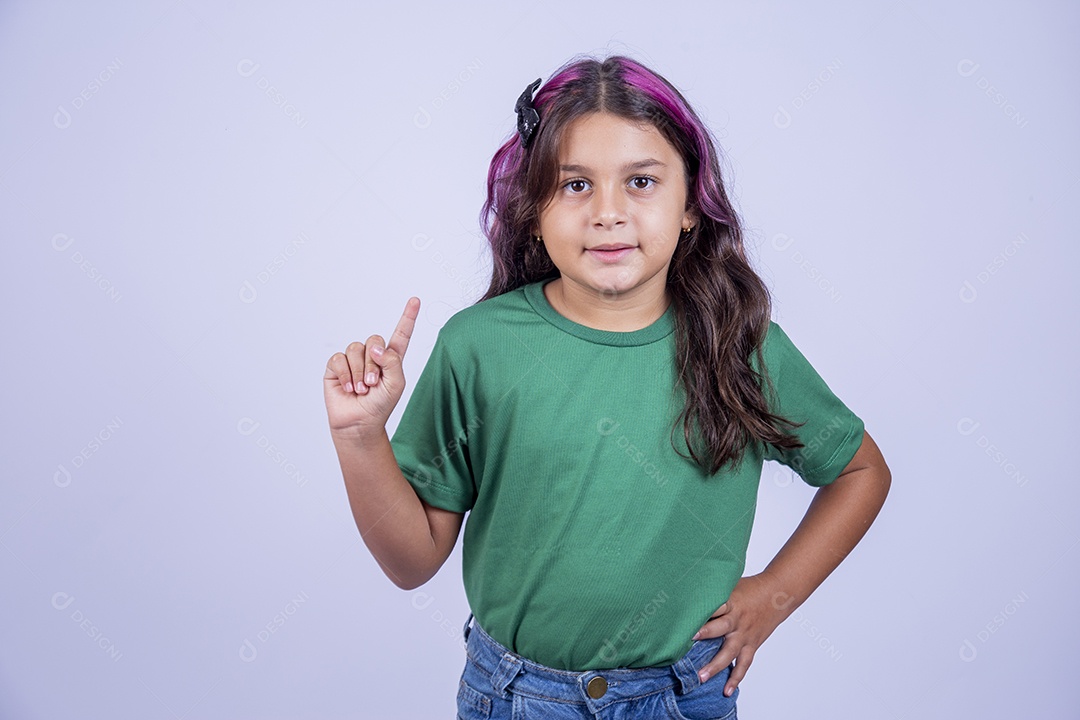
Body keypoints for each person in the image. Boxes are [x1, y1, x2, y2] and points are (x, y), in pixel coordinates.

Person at [323, 53, 891, 719]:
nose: (609, 213)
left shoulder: (739, 344)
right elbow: (411, 561)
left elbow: (860, 472)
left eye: (642, 181)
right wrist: (361, 437)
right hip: (512, 697)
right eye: (574, 186)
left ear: (690, 205)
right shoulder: (477, 346)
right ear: (533, 211)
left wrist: (774, 594)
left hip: (681, 697)